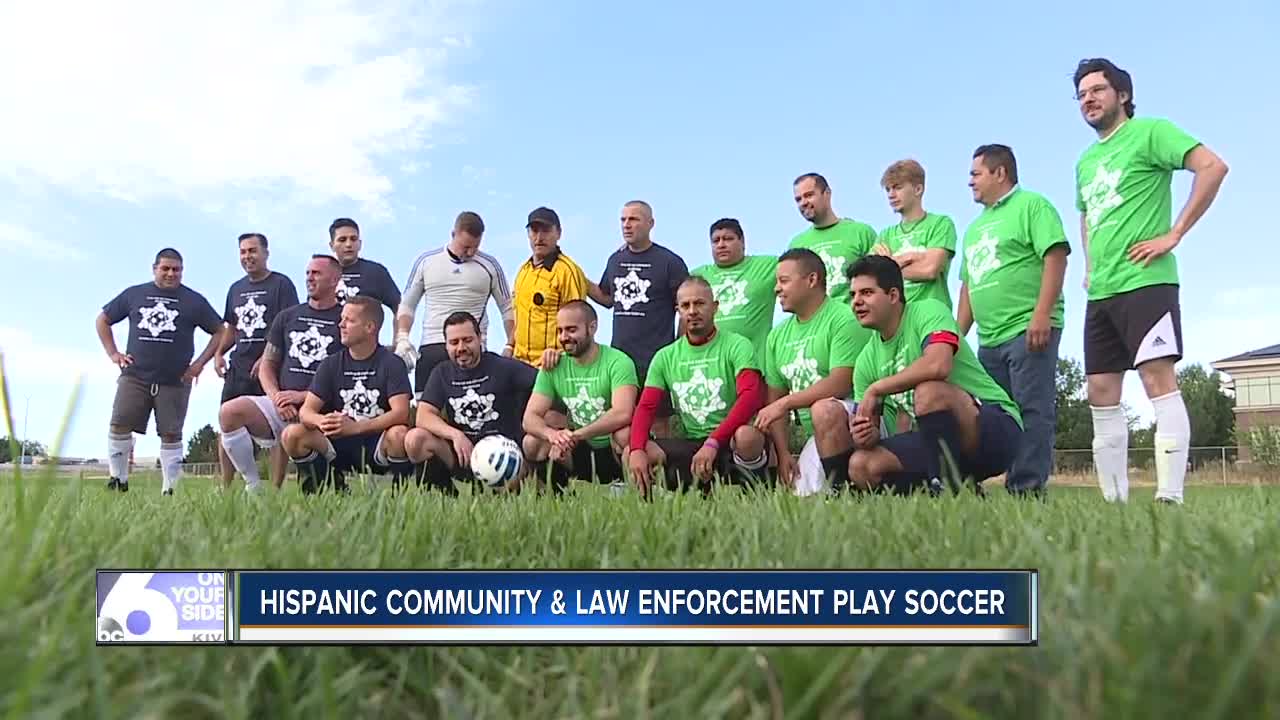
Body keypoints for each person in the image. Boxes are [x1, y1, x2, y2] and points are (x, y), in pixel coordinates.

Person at [1073, 58, 1229, 504]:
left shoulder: (1151, 132)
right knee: (1100, 392)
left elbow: (1212, 166)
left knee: (1157, 380)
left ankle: (1170, 496)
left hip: (1147, 283)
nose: (1089, 98)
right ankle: (1114, 503)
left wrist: (1174, 234)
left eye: (1098, 89)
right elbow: (1087, 215)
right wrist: (1088, 267)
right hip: (1102, 290)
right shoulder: (1085, 161)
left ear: (1122, 95)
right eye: (1082, 93)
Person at [846, 255, 1024, 495]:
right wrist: (865, 435)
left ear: (893, 295)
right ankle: (958, 490)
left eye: (866, 292)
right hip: (939, 443)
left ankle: (944, 490)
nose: (856, 302)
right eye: (853, 295)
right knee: (861, 464)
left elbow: (938, 365)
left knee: (930, 391)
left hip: (996, 428)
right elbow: (868, 434)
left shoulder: (928, 310)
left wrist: (877, 388)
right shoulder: (866, 360)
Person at [957, 144, 1070, 497]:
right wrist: (954, 337)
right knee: (993, 415)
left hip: (1027, 328)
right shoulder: (974, 229)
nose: (970, 181)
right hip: (988, 339)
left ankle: (1026, 487)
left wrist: (1042, 314)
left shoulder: (1032, 206)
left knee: (1031, 408)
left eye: (976, 173)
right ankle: (983, 479)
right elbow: (968, 285)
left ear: (1000, 172)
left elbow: (1055, 256)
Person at [95, 248, 222, 495]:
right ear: (154, 269)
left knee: (171, 433)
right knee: (119, 424)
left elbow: (220, 330)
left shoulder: (194, 301)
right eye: (165, 268)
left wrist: (199, 364)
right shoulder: (135, 294)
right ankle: (118, 479)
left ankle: (170, 489)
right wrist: (114, 354)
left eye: (176, 269)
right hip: (135, 375)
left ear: (182, 271)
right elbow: (102, 320)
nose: (171, 273)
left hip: (175, 380)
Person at [626, 277, 768, 495]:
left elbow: (750, 398)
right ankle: (653, 512)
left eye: (700, 303)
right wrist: (636, 449)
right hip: (692, 443)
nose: (692, 311)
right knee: (633, 450)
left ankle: (755, 493)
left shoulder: (738, 345)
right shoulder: (665, 356)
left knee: (747, 436)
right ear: (678, 311)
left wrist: (713, 442)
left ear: (715, 307)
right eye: (685, 305)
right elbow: (645, 408)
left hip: (730, 442)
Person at [218, 255, 344, 491]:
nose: (309, 278)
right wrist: (276, 397)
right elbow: (267, 364)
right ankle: (253, 485)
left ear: (335, 279)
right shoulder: (287, 316)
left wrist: (301, 397)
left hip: (323, 408)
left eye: (316, 273)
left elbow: (346, 375)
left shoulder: (345, 319)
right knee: (229, 412)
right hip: (282, 404)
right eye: (308, 273)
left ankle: (327, 478)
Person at [752, 248, 872, 495]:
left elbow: (841, 382)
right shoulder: (777, 336)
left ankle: (846, 492)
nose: (776, 289)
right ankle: (837, 486)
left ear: (812, 280)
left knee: (824, 409)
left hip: (863, 422)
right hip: (818, 436)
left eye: (784, 281)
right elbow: (774, 398)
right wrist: (784, 452)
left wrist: (786, 403)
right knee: (802, 501)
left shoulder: (843, 317)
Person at [281, 296, 413, 493]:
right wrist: (322, 421)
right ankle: (329, 487)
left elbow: (401, 413)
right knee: (292, 435)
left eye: (349, 320)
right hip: (338, 441)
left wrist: (356, 427)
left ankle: (399, 496)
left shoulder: (392, 363)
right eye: (342, 319)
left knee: (399, 434)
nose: (341, 325)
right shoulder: (330, 364)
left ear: (370, 327)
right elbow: (306, 412)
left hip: (374, 442)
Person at [403, 312, 538, 493]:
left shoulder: (504, 367)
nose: (461, 347)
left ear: (479, 338)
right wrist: (455, 435)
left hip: (504, 454)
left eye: (467, 340)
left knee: (506, 489)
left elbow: (544, 385)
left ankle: (530, 486)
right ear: (446, 345)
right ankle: (447, 497)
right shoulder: (442, 373)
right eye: (454, 342)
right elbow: (423, 415)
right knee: (415, 439)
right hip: (463, 453)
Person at [588, 200, 689, 436]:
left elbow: (685, 308)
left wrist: (680, 348)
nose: (626, 225)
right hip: (620, 360)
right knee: (622, 425)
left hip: (657, 359)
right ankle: (628, 472)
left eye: (633, 219)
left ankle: (663, 471)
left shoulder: (669, 262)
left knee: (659, 424)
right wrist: (578, 278)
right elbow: (606, 298)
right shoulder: (615, 260)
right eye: (623, 220)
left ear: (651, 223)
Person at [522, 300, 638, 494]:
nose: (564, 337)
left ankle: (631, 489)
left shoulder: (618, 361)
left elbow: (623, 413)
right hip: (579, 451)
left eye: (571, 330)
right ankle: (555, 492)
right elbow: (529, 418)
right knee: (532, 442)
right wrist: (554, 436)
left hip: (611, 449)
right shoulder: (554, 365)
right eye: (560, 331)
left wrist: (576, 435)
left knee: (625, 434)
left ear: (592, 328)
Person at [395, 211, 515, 397]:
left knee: (472, 409)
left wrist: (510, 344)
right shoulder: (427, 261)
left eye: (475, 247)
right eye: (465, 246)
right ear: (453, 235)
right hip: (432, 346)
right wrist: (402, 337)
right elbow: (407, 304)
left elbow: (508, 308)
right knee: (425, 411)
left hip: (472, 349)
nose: (470, 252)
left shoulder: (490, 265)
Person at [213, 232, 299, 490]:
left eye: (252, 251)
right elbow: (232, 326)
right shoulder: (235, 289)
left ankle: (274, 487)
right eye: (243, 252)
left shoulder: (281, 285)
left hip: (271, 369)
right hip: (238, 366)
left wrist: (266, 359)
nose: (247, 256)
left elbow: (289, 325)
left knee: (277, 429)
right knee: (226, 421)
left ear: (266, 253)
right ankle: (227, 486)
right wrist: (219, 352)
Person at [689, 218, 777, 367]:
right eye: (715, 241)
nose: (721, 245)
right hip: (711, 367)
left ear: (742, 241)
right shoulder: (696, 276)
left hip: (755, 365)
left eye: (728, 239)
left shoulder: (769, 266)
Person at [511, 207, 591, 368]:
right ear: (528, 234)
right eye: (534, 231)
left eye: (546, 230)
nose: (539, 237)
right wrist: (509, 346)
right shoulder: (523, 271)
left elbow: (579, 323)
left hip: (553, 366)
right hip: (519, 364)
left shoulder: (567, 271)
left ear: (559, 233)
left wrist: (563, 355)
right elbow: (517, 317)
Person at [874, 159, 958, 309]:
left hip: (933, 317)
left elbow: (930, 270)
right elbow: (875, 278)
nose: (891, 195)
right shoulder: (884, 235)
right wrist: (913, 258)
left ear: (918, 189)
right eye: (888, 189)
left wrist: (890, 265)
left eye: (897, 187)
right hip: (898, 321)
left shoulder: (940, 223)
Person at [788, 173, 877, 305]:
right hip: (816, 322)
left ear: (827, 193)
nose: (803, 203)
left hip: (855, 320)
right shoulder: (796, 245)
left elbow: (879, 283)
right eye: (798, 199)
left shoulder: (861, 232)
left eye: (809, 195)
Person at [328, 217, 401, 316]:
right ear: (332, 245)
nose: (348, 244)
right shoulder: (322, 272)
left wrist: (401, 331)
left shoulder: (375, 272)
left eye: (353, 239)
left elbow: (400, 307)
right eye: (342, 240)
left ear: (360, 244)